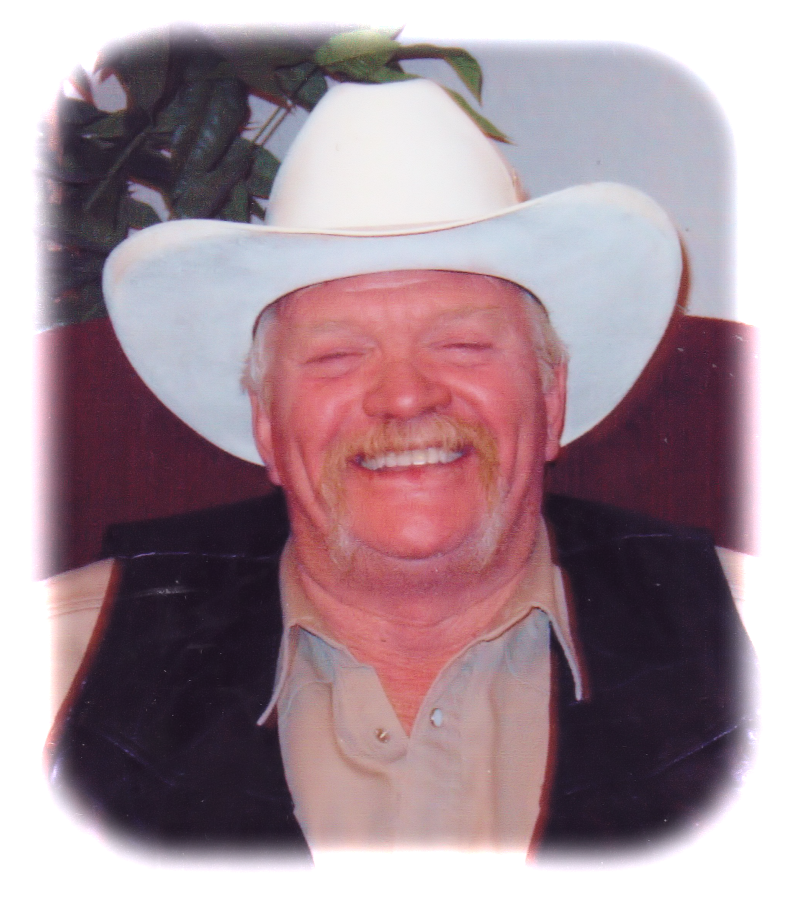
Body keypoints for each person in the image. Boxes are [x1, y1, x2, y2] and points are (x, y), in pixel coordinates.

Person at [45, 79, 758, 868]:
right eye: (335, 356)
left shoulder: (755, 639)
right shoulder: (52, 672)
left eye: (462, 345)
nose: (406, 396)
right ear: (266, 422)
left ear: (549, 396)